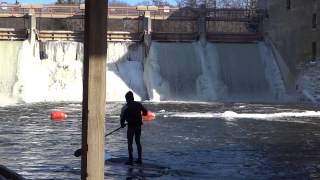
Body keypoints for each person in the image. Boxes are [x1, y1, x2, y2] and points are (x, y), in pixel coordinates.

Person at [120, 91, 148, 165]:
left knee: (130, 143)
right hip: (138, 126)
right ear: (133, 97)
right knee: (138, 142)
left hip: (131, 126)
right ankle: (139, 159)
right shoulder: (138, 104)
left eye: (126, 98)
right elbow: (145, 112)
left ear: (127, 98)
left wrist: (122, 124)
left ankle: (131, 160)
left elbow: (122, 117)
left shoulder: (126, 107)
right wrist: (140, 114)